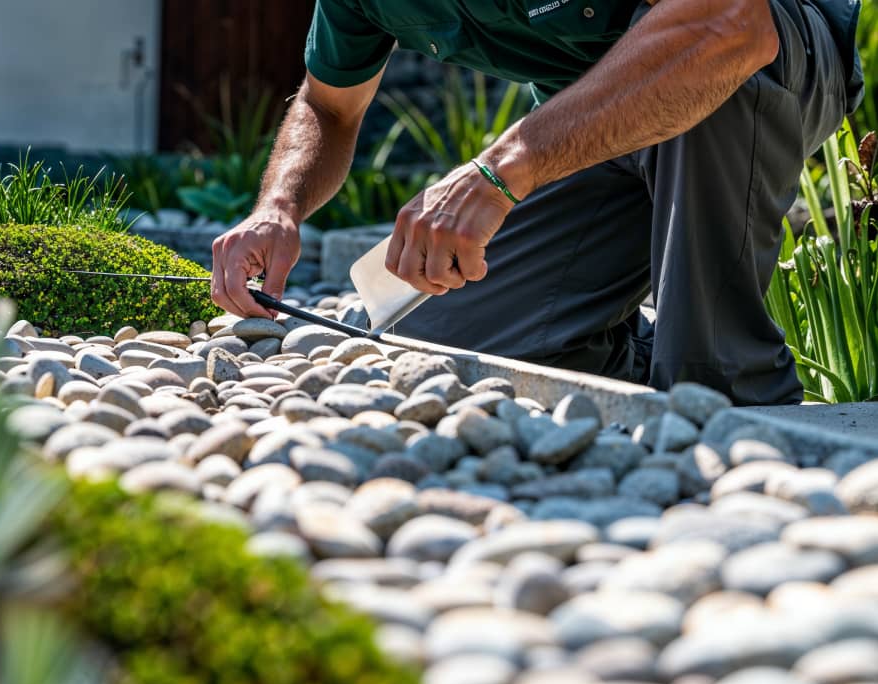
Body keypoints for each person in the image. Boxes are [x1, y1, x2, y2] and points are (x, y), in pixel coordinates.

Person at [210, 0, 865, 406]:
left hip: (761, 50)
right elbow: (328, 106)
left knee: (704, 386)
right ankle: (650, 357)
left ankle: (737, 392)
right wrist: (279, 206)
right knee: (439, 347)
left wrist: (499, 172)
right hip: (584, 129)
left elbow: (726, 23)